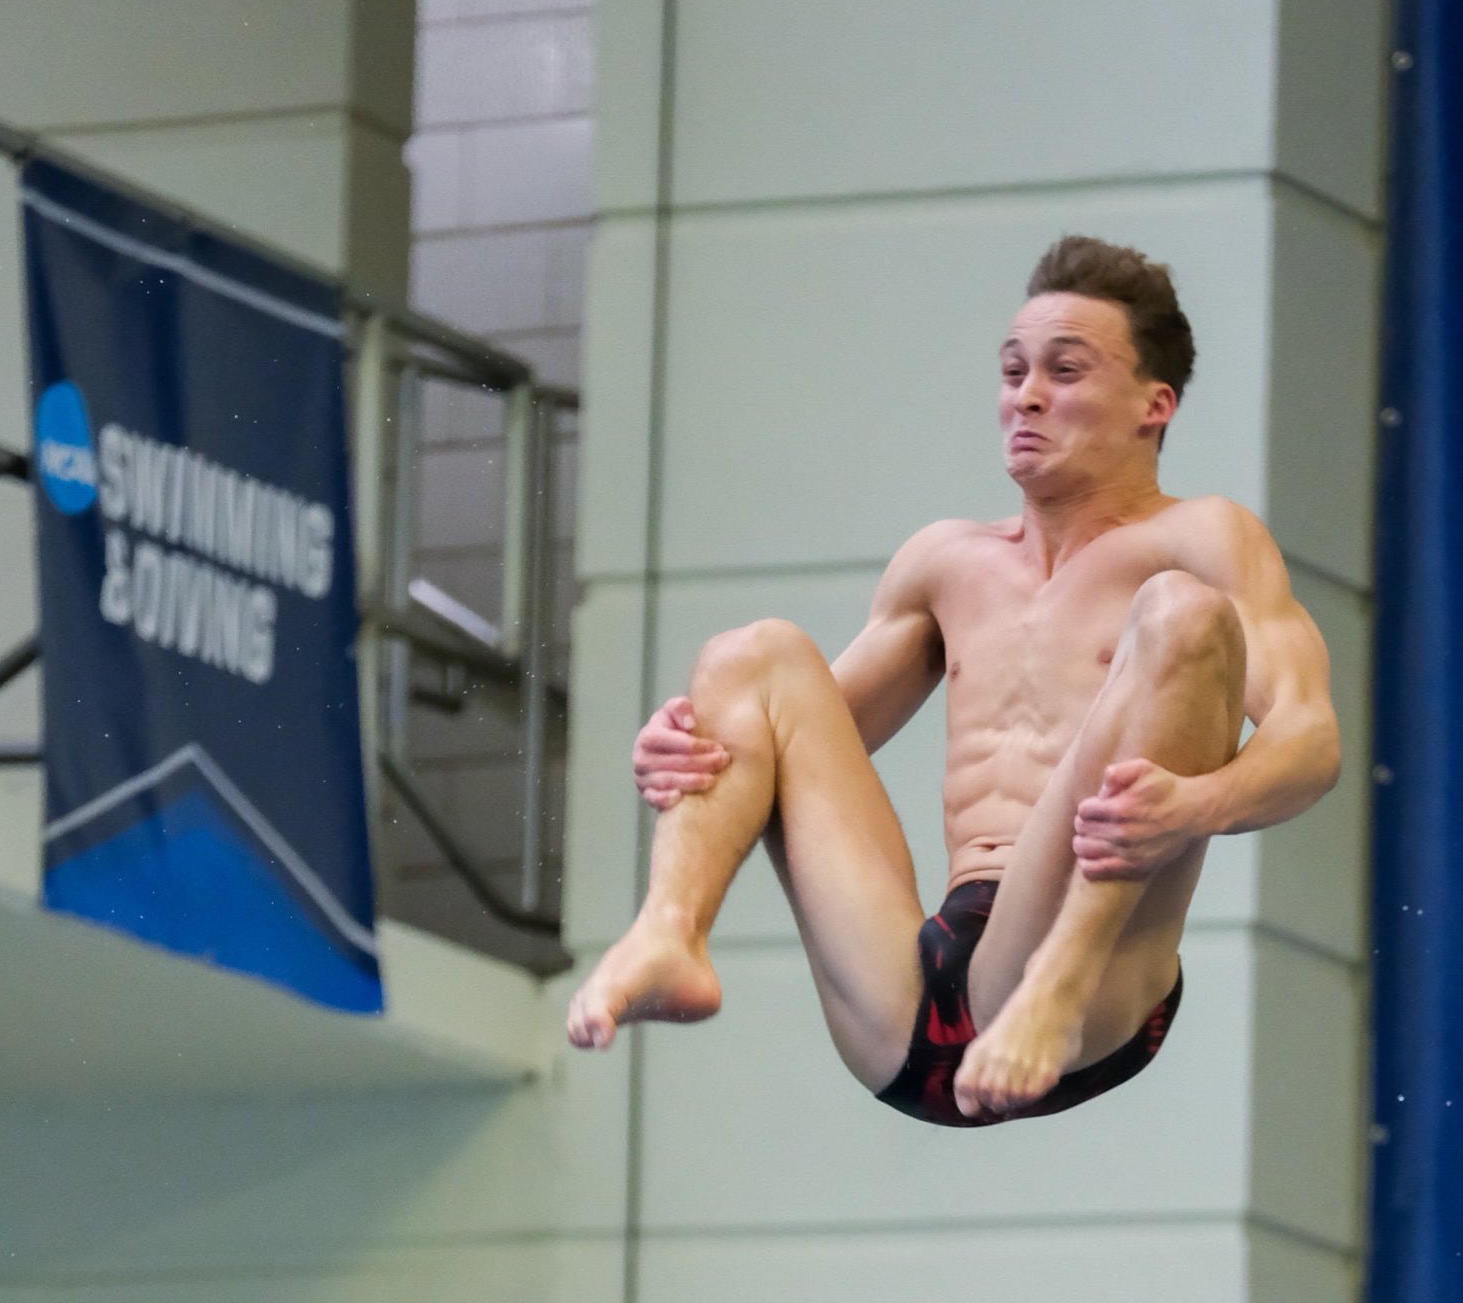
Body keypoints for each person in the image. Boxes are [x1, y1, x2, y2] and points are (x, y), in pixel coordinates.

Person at [565, 234, 1341, 1124]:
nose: (1029, 396)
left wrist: (1195, 809)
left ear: (1153, 406)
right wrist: (690, 749)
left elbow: (1311, 744)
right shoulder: (945, 562)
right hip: (915, 997)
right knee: (756, 654)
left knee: (1183, 613)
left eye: (1066, 371)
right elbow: (791, 742)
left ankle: (1058, 977)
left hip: (1087, 992)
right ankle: (670, 931)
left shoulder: (1203, 539)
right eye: (1013, 372)